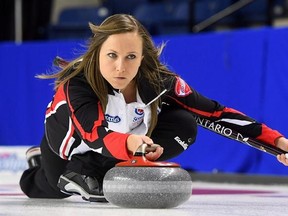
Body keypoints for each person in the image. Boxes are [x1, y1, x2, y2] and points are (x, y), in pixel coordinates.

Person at [20, 14, 288, 202]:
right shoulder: (77, 86)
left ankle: (104, 167)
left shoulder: (159, 83)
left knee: (185, 123)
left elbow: (216, 114)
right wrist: (130, 144)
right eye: (112, 55)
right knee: (54, 186)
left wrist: (277, 142)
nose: (120, 67)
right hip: (70, 150)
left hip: (121, 146)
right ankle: (39, 162)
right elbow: (96, 135)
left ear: (143, 58)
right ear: (97, 53)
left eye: (131, 57)